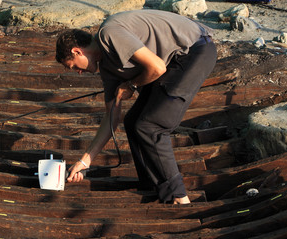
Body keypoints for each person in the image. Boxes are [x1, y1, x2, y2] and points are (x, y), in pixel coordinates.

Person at [56, 10, 217, 204]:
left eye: (73, 66)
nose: (78, 72)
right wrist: (85, 161)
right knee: (133, 122)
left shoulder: (109, 34)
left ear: (77, 51)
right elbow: (111, 117)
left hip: (193, 51)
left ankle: (179, 197)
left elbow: (157, 68)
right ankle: (152, 186)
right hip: (171, 62)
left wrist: (132, 85)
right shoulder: (107, 68)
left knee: (151, 126)